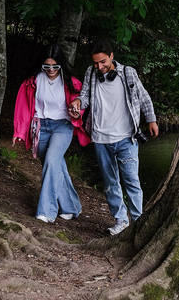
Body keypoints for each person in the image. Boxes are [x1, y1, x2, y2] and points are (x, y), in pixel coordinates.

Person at [68, 38, 159, 235]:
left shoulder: (128, 73)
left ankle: (137, 223)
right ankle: (120, 221)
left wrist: (151, 119)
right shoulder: (91, 73)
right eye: (95, 62)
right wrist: (77, 103)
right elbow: (84, 97)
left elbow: (144, 97)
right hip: (100, 139)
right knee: (110, 183)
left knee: (132, 182)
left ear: (111, 56)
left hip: (126, 138)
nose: (99, 66)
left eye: (103, 62)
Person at [13, 44, 91, 223]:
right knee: (56, 166)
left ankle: (46, 211)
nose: (51, 70)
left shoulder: (71, 82)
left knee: (51, 161)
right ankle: (72, 207)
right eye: (46, 66)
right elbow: (24, 107)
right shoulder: (33, 80)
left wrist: (77, 111)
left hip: (62, 126)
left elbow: (81, 105)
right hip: (41, 127)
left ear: (61, 64)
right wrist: (20, 131)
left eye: (55, 67)